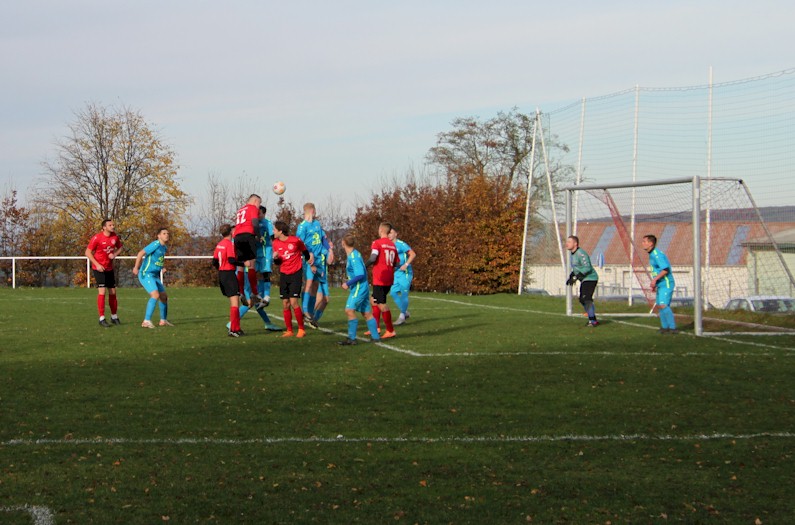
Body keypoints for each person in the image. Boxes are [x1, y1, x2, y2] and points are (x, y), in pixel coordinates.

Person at [272, 221, 315, 338]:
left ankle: (301, 329)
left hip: (295, 273)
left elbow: (305, 251)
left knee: (293, 302)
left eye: (274, 230)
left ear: (280, 231)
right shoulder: (275, 243)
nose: (273, 232)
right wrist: (275, 258)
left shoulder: (295, 241)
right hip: (284, 274)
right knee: (285, 303)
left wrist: (310, 262)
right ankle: (289, 330)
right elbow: (278, 262)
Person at [338, 233, 380, 345]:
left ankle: (351, 339)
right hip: (361, 286)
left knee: (349, 310)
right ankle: (375, 337)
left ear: (343, 243)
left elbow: (360, 274)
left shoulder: (354, 257)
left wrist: (348, 283)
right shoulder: (354, 254)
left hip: (359, 287)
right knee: (366, 313)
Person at [295, 202, 329, 327]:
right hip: (309, 259)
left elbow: (321, 240)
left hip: (319, 259)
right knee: (308, 283)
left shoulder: (317, 224)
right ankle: (305, 311)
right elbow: (299, 244)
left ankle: (309, 313)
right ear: (312, 211)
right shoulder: (302, 226)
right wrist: (309, 255)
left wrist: (328, 251)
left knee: (315, 285)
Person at [85, 219, 123, 327]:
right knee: (102, 292)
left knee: (112, 292)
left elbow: (120, 247)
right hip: (99, 269)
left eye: (113, 224)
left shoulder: (115, 237)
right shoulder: (97, 238)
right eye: (110, 225)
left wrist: (114, 254)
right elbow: (87, 252)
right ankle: (101, 318)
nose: (113, 226)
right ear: (104, 228)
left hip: (109, 268)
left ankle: (114, 317)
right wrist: (97, 264)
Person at [132, 227, 172, 328]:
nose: (166, 235)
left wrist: (162, 267)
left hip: (154, 275)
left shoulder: (164, 247)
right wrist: (136, 267)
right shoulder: (156, 244)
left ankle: (163, 320)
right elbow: (141, 253)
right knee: (155, 295)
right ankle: (146, 321)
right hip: (146, 274)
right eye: (164, 233)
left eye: (167, 233)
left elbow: (158, 259)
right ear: (159, 236)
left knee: (164, 297)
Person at [366, 222, 398, 339]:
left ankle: (390, 330)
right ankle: (376, 328)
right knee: (374, 300)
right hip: (389, 277)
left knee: (381, 304)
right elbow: (396, 263)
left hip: (380, 278)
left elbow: (373, 257)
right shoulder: (392, 245)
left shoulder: (377, 243)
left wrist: (364, 266)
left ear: (380, 230)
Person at [641, 234, 678, 334]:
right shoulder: (652, 254)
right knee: (659, 305)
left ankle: (673, 328)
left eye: (644, 241)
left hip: (666, 283)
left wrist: (654, 280)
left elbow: (665, 270)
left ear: (651, 243)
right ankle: (665, 327)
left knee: (663, 304)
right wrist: (655, 283)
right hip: (660, 284)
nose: (642, 244)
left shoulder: (657, 255)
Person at [213, 224, 244, 337]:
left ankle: (237, 328)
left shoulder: (219, 244)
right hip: (229, 274)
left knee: (235, 301)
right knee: (235, 303)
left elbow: (214, 262)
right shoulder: (229, 244)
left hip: (222, 274)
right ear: (231, 232)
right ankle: (233, 329)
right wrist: (243, 263)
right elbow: (231, 260)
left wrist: (221, 269)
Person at [234, 194, 263, 307]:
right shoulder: (252, 208)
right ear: (255, 201)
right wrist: (258, 235)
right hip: (248, 236)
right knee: (251, 265)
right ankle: (254, 293)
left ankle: (241, 292)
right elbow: (255, 222)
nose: (259, 206)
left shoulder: (240, 209)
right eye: (259, 203)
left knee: (241, 265)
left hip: (237, 237)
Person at [565, 235, 599, 327]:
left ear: (575, 244)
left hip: (591, 278)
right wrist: (571, 277)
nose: (566, 244)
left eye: (569, 242)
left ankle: (592, 321)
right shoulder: (573, 254)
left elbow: (587, 268)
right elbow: (577, 268)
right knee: (582, 299)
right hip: (584, 279)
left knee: (586, 298)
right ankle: (593, 319)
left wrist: (577, 277)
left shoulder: (581, 253)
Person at [387, 226, 416, 326]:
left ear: (396, 234)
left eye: (391, 233)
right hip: (396, 273)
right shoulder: (388, 245)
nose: (389, 235)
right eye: (388, 233)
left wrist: (406, 264)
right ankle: (405, 312)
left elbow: (412, 254)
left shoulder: (401, 244)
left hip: (405, 273)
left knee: (404, 294)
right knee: (393, 292)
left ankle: (402, 316)